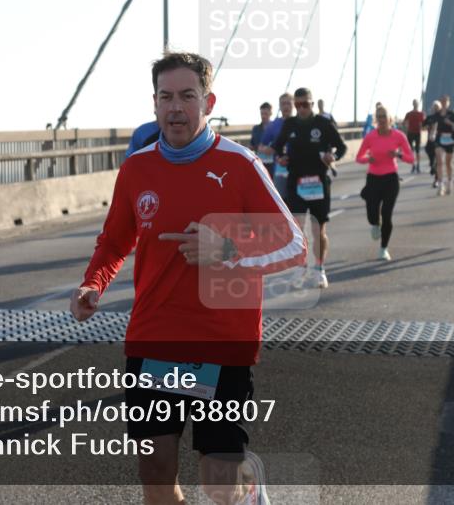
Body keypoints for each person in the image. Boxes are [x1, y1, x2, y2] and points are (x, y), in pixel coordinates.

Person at [72, 51, 306, 505]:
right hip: (155, 338)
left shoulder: (241, 164)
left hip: (222, 343)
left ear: (208, 101)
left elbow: (294, 244)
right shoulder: (137, 168)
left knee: (219, 482)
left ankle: (246, 486)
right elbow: (115, 241)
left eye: (186, 96)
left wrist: (228, 250)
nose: (175, 107)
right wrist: (93, 284)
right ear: (154, 103)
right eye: (166, 97)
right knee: (155, 473)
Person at [269, 87, 347, 288]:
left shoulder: (323, 123)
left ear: (312, 104)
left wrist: (334, 157)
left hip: (319, 182)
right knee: (298, 230)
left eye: (305, 104)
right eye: (298, 105)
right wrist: (281, 157)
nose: (301, 108)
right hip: (296, 181)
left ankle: (319, 269)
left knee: (318, 229)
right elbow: (277, 146)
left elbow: (342, 146)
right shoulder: (290, 124)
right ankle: (300, 268)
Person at [356, 105, 415, 260]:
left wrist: (398, 154)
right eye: (379, 116)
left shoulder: (399, 136)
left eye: (384, 116)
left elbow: (411, 159)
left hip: (391, 179)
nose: (382, 119)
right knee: (372, 214)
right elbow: (358, 157)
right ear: (376, 119)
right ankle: (375, 223)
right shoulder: (370, 136)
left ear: (390, 119)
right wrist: (368, 159)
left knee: (387, 214)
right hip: (373, 178)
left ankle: (383, 249)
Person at [259, 93, 295, 196]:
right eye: (283, 104)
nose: (286, 106)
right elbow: (261, 146)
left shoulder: (298, 122)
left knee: (297, 207)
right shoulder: (273, 125)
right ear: (279, 106)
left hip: (298, 169)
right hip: (280, 169)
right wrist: (268, 149)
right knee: (281, 204)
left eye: (288, 103)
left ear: (293, 105)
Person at [432, 95, 454, 196]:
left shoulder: (452, 114)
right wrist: (432, 131)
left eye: (445, 101)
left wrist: (451, 124)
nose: (444, 103)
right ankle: (440, 186)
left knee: (448, 163)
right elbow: (431, 122)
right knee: (439, 162)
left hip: (450, 139)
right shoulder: (437, 114)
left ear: (448, 103)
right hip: (439, 139)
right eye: (442, 101)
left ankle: (449, 182)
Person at [403, 99, 425, 174]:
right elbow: (404, 122)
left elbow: (423, 124)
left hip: (417, 133)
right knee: (411, 151)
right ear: (413, 104)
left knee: (417, 150)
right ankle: (413, 165)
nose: (415, 104)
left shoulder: (420, 114)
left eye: (416, 103)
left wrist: (422, 127)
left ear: (417, 104)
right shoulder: (409, 114)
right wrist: (407, 127)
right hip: (411, 133)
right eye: (414, 103)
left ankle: (418, 166)